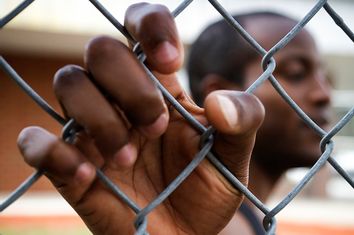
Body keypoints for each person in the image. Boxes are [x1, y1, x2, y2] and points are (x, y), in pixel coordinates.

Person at [16, 3, 265, 235]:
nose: (307, 94)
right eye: (295, 72)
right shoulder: (230, 218)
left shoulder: (252, 218)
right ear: (219, 92)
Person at [187, 11, 331, 235]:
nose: (324, 94)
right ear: (223, 95)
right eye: (296, 73)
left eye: (325, 77)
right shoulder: (220, 225)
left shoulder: (246, 217)